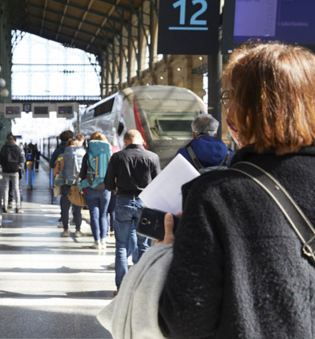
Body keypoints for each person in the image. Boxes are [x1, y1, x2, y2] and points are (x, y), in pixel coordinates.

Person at [158, 43, 315, 338]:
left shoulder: (214, 196)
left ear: (246, 111)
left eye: (230, 97)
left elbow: (186, 321)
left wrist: (164, 254)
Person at [104, 129, 160, 291]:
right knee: (144, 246)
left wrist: (115, 188)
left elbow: (108, 184)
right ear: (141, 141)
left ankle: (121, 287)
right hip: (145, 203)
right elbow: (158, 182)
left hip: (123, 201)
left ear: (126, 141)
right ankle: (141, 286)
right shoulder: (152, 157)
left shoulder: (118, 157)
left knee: (121, 245)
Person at [79, 132, 113, 249]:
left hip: (91, 187)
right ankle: (103, 241)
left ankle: (96, 241)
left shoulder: (88, 154)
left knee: (94, 215)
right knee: (104, 215)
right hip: (106, 189)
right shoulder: (109, 153)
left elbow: (82, 173)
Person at [53, 139, 85, 237]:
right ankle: (78, 230)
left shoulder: (62, 156)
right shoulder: (83, 155)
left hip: (66, 185)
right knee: (77, 208)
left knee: (65, 208)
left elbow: (55, 172)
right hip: (77, 185)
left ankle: (66, 230)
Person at [0, 134, 24, 213]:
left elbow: (0, 160)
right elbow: (21, 159)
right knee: (16, 188)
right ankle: (18, 207)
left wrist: (4, 165)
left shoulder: (3, 148)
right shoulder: (17, 148)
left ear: (7, 139)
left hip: (6, 171)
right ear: (13, 140)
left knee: (6, 188)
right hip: (15, 171)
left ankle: (4, 206)